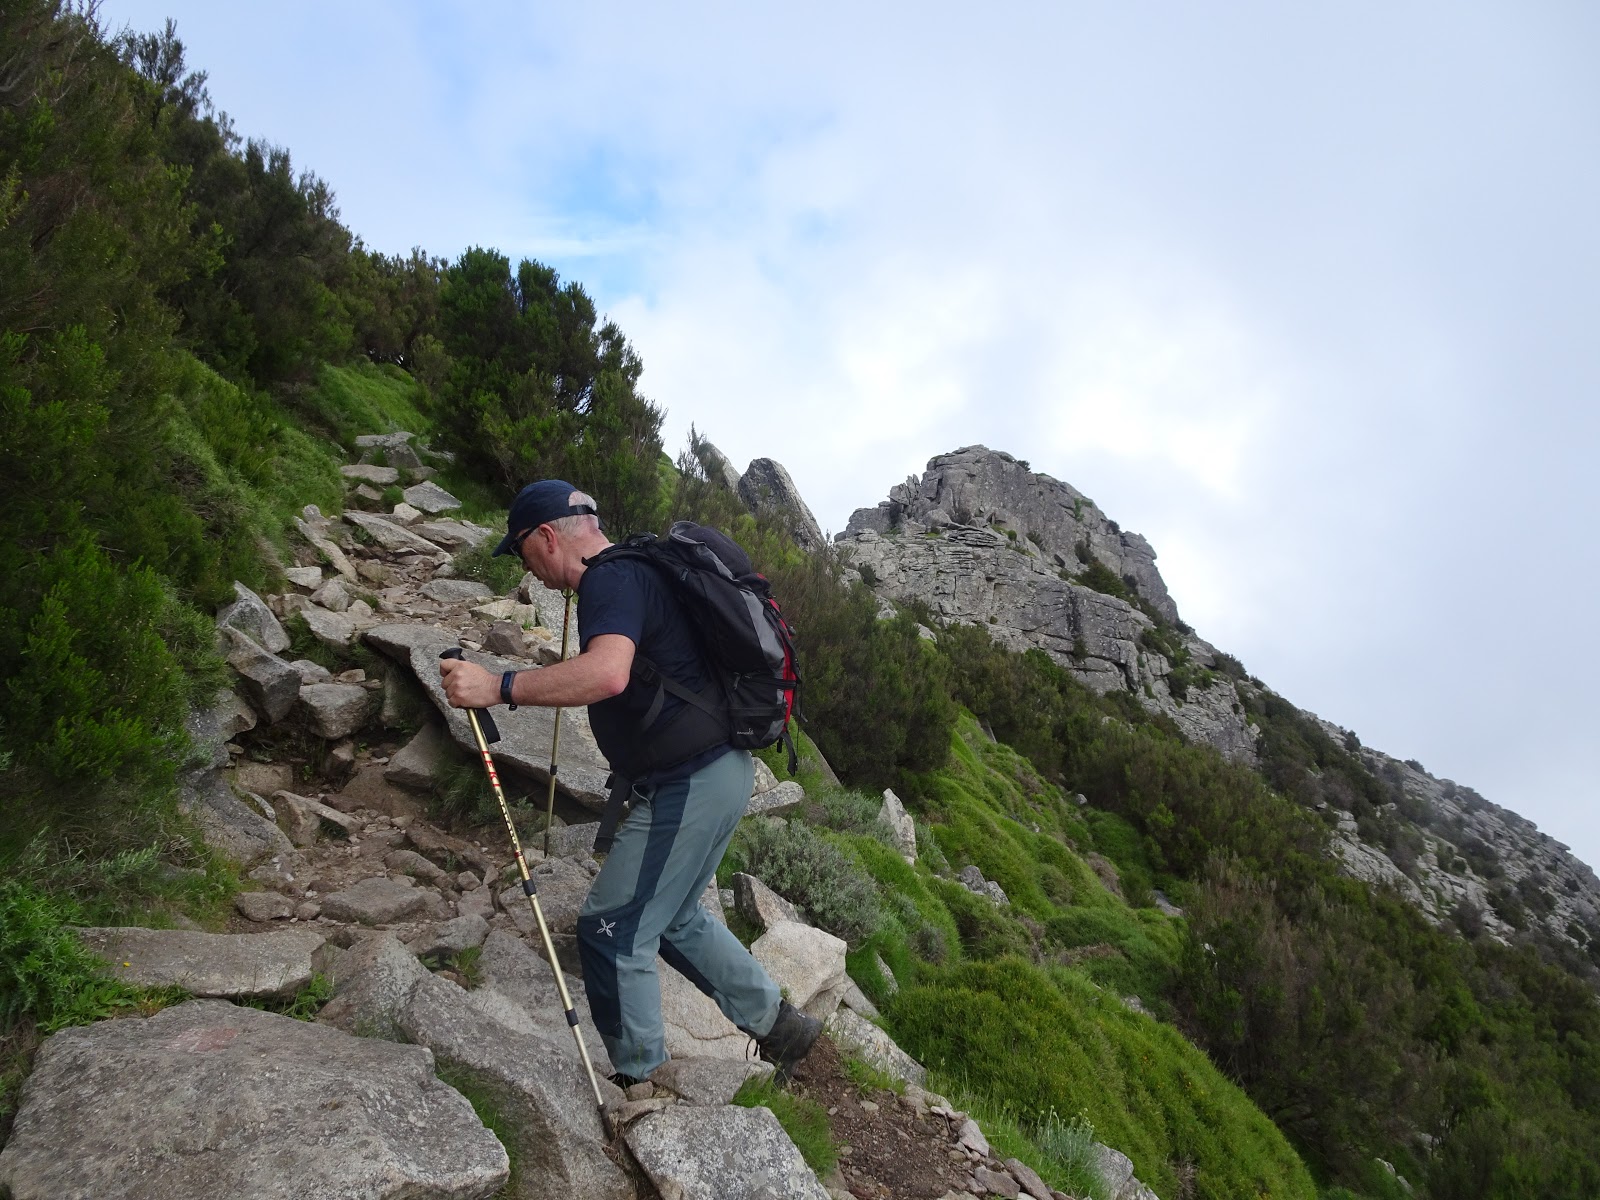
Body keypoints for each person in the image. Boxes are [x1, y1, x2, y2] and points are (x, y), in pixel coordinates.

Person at [439, 479, 821, 1085]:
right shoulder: (637, 570)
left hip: (690, 780)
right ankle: (782, 1029)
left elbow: (609, 674)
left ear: (544, 537)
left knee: (612, 927)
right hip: (716, 773)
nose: (526, 568)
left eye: (520, 552)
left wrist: (497, 687)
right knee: (675, 920)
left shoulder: (611, 578)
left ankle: (641, 1085)